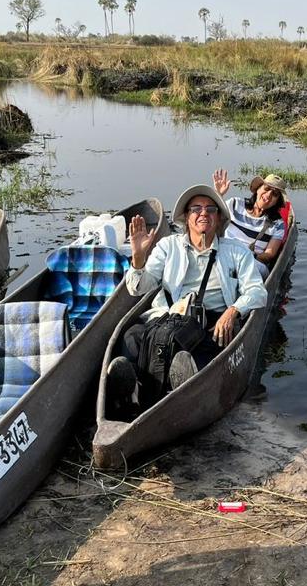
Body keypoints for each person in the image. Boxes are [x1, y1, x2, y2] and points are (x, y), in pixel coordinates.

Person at [106, 184, 267, 411]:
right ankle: (132, 390)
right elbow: (138, 287)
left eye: (211, 209)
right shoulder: (168, 246)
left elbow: (257, 292)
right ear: (186, 216)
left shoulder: (237, 251)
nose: (204, 213)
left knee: (208, 350)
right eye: (196, 209)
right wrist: (138, 258)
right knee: (132, 336)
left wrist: (233, 311)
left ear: (219, 218)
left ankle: (181, 390)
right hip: (169, 316)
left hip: (213, 322)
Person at [212, 169, 289, 279]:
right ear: (258, 189)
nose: (268, 195)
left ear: (277, 201)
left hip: (254, 262)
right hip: (225, 254)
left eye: (275, 194)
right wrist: (218, 195)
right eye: (266, 189)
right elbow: (212, 221)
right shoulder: (235, 204)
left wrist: (245, 258)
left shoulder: (278, 223)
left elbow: (269, 254)